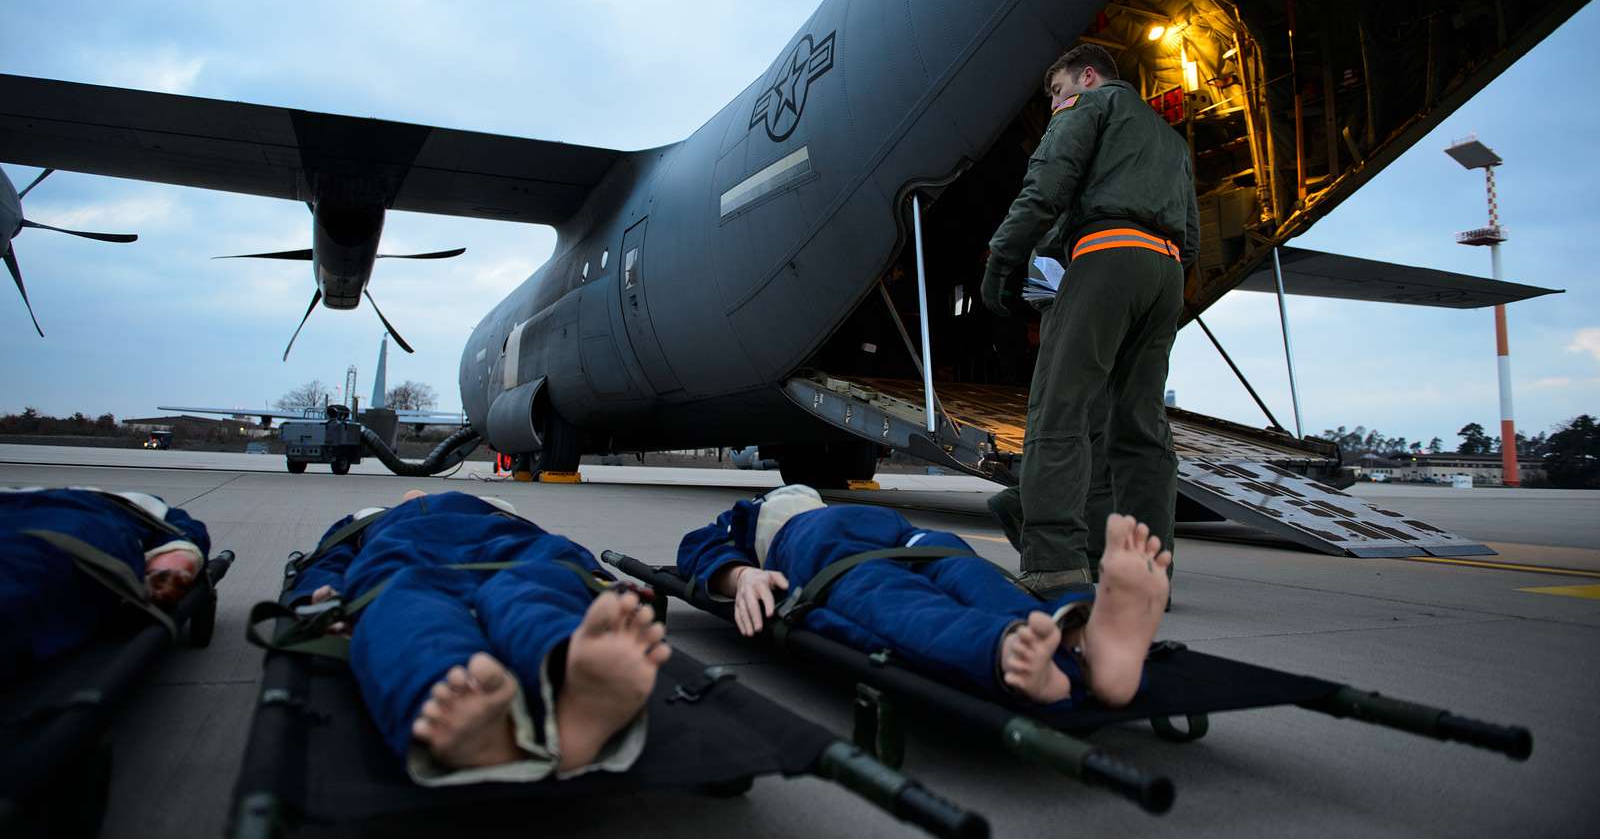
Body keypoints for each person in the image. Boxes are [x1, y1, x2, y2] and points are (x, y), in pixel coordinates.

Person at [982, 43, 1197, 596]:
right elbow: (1192, 235)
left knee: (1061, 408)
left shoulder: (1089, 107)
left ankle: (1053, 562)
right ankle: (1148, 576)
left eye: (1057, 90)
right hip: (1166, 272)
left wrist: (1002, 257)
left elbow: (1047, 186)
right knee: (1141, 429)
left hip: (1106, 259)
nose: (1055, 102)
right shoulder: (1172, 142)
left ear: (1089, 75)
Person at [293, 490, 669, 785]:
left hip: (487, 550)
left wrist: (595, 576)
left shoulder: (492, 510)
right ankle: (524, 700)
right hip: (411, 558)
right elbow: (330, 556)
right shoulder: (367, 521)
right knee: (421, 605)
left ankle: (567, 677)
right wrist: (320, 591)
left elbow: (556, 545)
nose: (419, 494)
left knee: (526, 586)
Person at [676, 485, 1171, 709]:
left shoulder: (773, 505)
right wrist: (742, 578)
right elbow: (696, 548)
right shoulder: (743, 518)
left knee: (941, 584)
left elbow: (692, 548)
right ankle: (1042, 644)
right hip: (850, 541)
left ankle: (1059, 642)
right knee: (929, 588)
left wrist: (745, 575)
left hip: (863, 539)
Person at [1, 487, 210, 684]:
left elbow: (182, 540)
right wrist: (170, 569)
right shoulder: (141, 508)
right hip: (80, 520)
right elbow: (184, 538)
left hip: (60, 519)